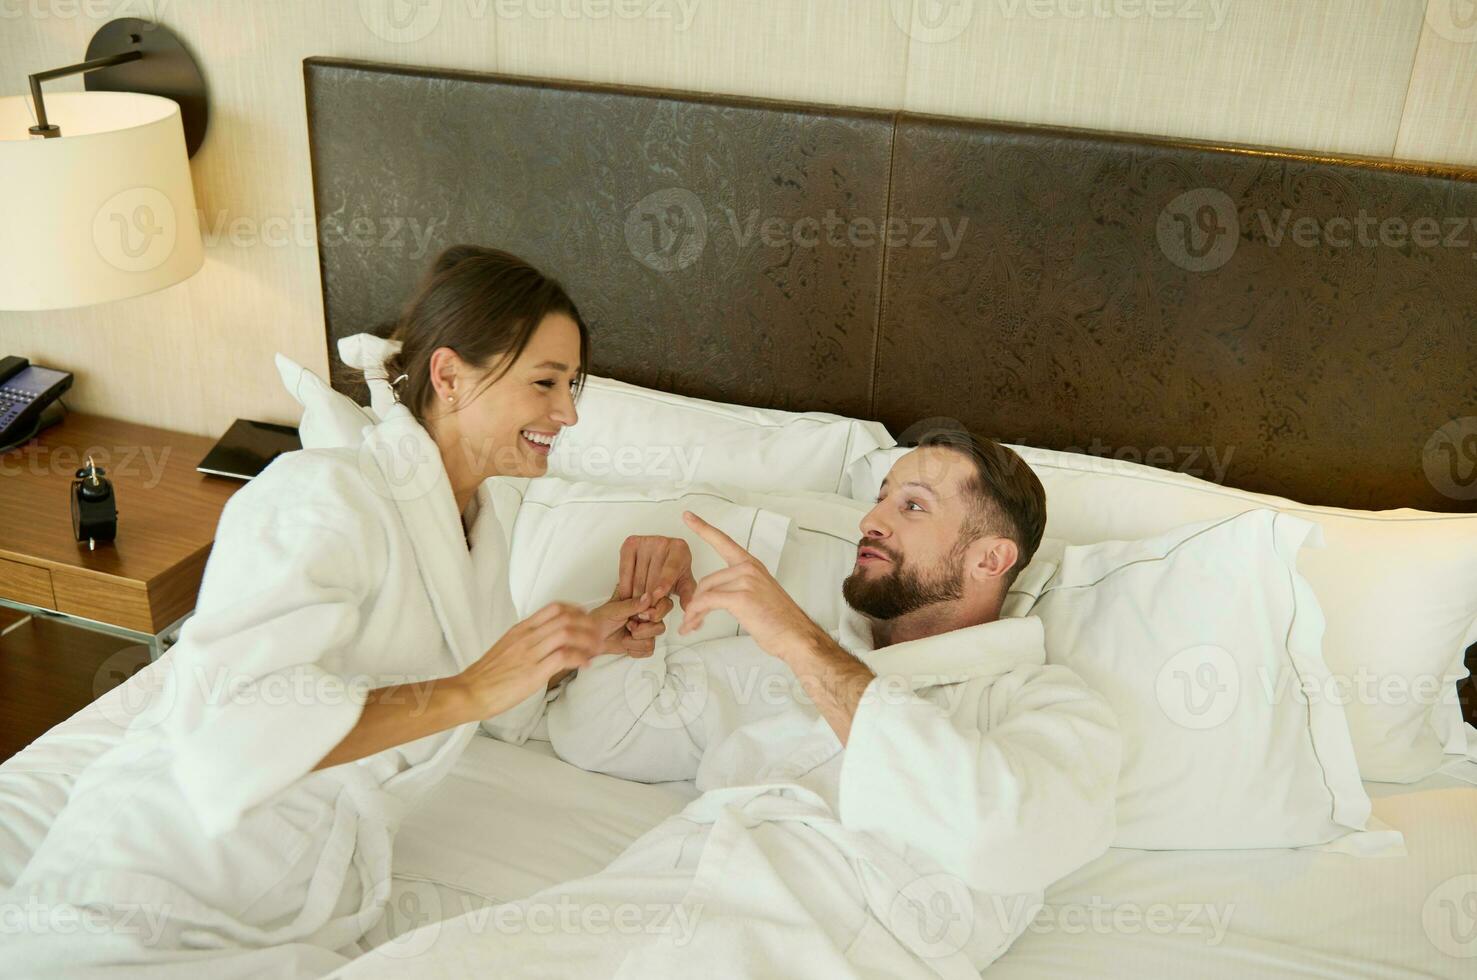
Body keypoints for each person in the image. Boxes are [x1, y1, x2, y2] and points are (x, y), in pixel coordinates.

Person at [0, 246, 696, 978]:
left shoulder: (473, 527)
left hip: (303, 902)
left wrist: (589, 636)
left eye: (571, 386)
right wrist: (473, 688)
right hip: (160, 874)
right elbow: (239, 720)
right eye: (547, 383)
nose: (570, 413)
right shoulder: (319, 496)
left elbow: (490, 697)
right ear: (450, 376)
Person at [338, 433, 1123, 978]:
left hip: (836, 952)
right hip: (637, 909)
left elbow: (1003, 836)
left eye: (912, 507)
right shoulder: (786, 657)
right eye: (879, 498)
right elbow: (605, 741)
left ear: (991, 558)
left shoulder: (1049, 707)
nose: (871, 519)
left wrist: (800, 643)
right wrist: (637, 613)